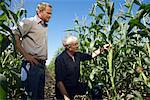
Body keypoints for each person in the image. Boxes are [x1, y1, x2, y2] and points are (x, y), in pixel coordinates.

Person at [13, 2, 52, 99]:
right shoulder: (29, 22)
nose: (50, 16)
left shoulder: (44, 26)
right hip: (31, 65)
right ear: (39, 11)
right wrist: (26, 55)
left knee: (39, 96)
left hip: (41, 65)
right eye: (48, 13)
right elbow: (14, 34)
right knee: (29, 96)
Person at [55, 35, 112, 100]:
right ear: (69, 47)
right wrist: (66, 97)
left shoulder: (77, 55)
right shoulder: (60, 59)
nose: (78, 46)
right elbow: (59, 81)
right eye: (75, 44)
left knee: (96, 88)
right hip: (64, 90)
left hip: (75, 85)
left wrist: (103, 49)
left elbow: (91, 55)